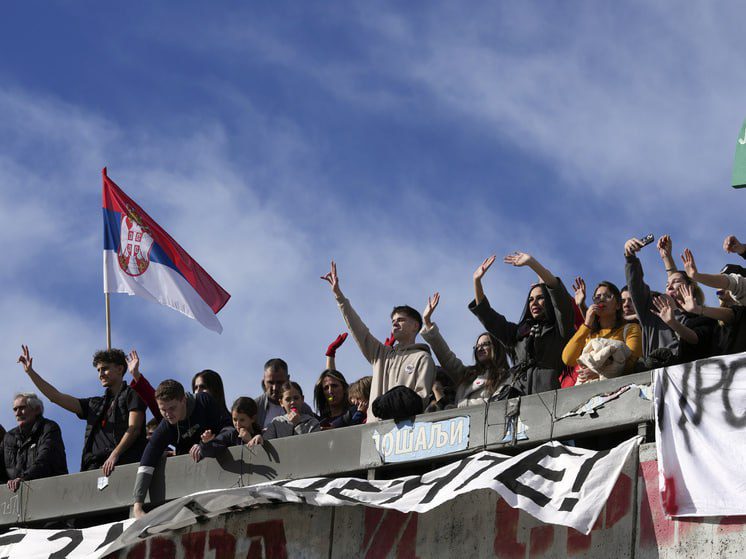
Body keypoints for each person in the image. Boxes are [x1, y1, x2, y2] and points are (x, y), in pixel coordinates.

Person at [321, 261, 435, 420]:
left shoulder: (423, 358)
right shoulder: (381, 354)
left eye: (401, 320)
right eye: (393, 320)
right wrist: (339, 296)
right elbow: (359, 330)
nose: (395, 322)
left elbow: (420, 399)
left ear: (415, 325)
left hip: (405, 433)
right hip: (374, 434)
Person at [17, 345, 146, 475]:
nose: (101, 374)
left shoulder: (132, 394)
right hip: (93, 469)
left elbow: (134, 428)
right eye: (98, 370)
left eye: (105, 369)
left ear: (119, 369)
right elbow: (55, 397)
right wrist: (30, 372)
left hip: (124, 465)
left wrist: (114, 454)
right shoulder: (94, 404)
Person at [469, 252, 574, 394]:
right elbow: (488, 317)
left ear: (549, 301)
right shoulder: (518, 333)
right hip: (515, 395)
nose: (534, 303)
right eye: (530, 299)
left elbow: (557, 292)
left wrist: (532, 263)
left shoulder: (560, 328)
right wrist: (477, 281)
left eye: (540, 298)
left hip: (548, 397)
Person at [132, 379, 232, 518]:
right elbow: (147, 461)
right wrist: (138, 506)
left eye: (172, 408)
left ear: (183, 400)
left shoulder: (203, 401)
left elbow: (230, 428)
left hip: (224, 474)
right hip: (191, 483)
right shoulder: (166, 425)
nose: (168, 414)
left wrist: (209, 443)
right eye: (163, 410)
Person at [624, 236, 714, 365]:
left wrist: (674, 318)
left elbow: (696, 340)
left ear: (691, 287)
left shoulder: (703, 316)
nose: (669, 286)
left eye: (676, 282)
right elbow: (635, 286)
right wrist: (630, 257)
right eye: (666, 284)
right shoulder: (653, 314)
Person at [421, 292, 516, 407]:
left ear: (496, 348)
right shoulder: (466, 375)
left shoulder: (506, 377)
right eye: (477, 346)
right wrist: (427, 322)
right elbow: (446, 356)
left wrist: (463, 406)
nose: (480, 348)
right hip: (460, 422)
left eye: (485, 344)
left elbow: (498, 403)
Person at [561, 281, 643, 382]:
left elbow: (632, 362)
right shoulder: (590, 334)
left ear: (618, 305)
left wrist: (598, 372)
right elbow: (568, 359)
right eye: (597, 297)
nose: (602, 299)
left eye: (607, 296)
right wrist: (587, 324)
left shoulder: (631, 328)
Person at [127, 350, 230, 422]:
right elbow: (158, 402)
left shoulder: (232, 420)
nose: (198, 391)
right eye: (195, 387)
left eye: (203, 387)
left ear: (215, 390)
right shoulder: (182, 417)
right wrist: (136, 375)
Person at [680, 248, 746, 356]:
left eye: (722, 280)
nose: (719, 286)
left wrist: (696, 276)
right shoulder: (714, 321)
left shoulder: (739, 307)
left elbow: (732, 313)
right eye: (718, 279)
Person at [0, 393, 67, 492]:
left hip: (51, 492)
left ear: (37, 409)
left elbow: (45, 459)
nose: (17, 413)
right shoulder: (9, 437)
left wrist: (24, 478)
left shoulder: (49, 428)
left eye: (22, 408)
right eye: (15, 409)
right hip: (15, 498)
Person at [255, 358, 314, 428]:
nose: (275, 388)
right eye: (270, 382)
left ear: (288, 379)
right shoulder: (255, 407)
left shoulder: (304, 409)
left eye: (280, 382)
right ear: (264, 381)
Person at [199, 397, 263, 457]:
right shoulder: (230, 434)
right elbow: (212, 451)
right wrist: (206, 443)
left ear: (253, 418)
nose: (237, 424)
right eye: (235, 420)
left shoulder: (261, 434)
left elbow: (262, 458)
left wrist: (250, 440)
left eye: (242, 420)